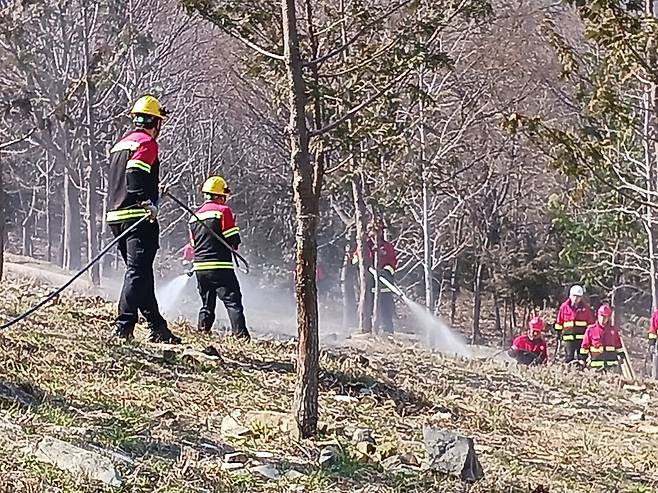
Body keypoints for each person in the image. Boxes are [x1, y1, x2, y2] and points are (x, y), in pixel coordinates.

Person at [106, 95, 180, 344]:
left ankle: (157, 326)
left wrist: (154, 188)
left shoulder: (122, 143)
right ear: (156, 122)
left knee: (142, 273)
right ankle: (123, 326)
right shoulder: (147, 143)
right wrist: (146, 201)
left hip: (116, 216)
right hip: (138, 218)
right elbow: (135, 173)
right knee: (137, 273)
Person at [182, 176, 250, 340]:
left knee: (206, 304)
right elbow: (233, 241)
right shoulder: (223, 211)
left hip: (200, 268)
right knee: (233, 302)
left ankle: (203, 331)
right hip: (220, 267)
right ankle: (240, 336)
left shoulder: (194, 216)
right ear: (219, 195)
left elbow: (193, 244)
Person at [352, 219, 398, 333]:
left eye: (380, 231)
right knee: (368, 311)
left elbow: (392, 263)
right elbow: (354, 260)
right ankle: (367, 333)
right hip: (368, 286)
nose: (377, 233)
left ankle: (388, 334)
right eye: (373, 231)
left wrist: (385, 272)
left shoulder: (387, 247)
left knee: (386, 313)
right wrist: (363, 263)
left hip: (385, 287)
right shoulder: (363, 246)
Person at [554, 284, 595, 363]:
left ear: (581, 297)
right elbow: (559, 322)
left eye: (578, 296)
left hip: (581, 339)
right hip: (568, 339)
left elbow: (590, 324)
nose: (575, 298)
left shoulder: (586, 309)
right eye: (574, 296)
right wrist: (558, 334)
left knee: (582, 358)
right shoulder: (564, 307)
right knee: (569, 357)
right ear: (570, 295)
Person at [579, 304, 624, 371]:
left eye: (605, 316)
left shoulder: (613, 331)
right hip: (595, 368)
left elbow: (618, 346)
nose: (603, 319)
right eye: (601, 316)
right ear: (598, 315)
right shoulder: (591, 330)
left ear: (608, 317)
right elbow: (585, 347)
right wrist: (583, 359)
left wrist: (621, 356)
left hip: (611, 367)